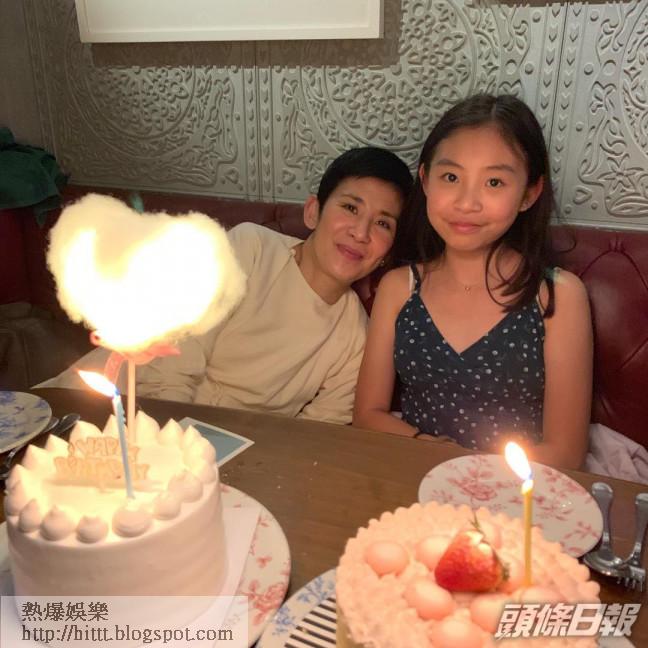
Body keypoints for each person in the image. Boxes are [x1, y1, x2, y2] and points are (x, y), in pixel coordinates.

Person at [43, 147, 412, 425]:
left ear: (388, 252)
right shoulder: (250, 249)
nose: (360, 232)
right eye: (350, 208)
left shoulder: (355, 338)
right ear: (313, 211)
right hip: (104, 406)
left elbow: (316, 433)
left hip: (220, 461)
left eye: (383, 224)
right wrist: (174, 450)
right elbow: (171, 364)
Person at [353, 94, 592, 469]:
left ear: (529, 193)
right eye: (451, 177)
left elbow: (565, 452)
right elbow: (368, 415)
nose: (467, 203)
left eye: (494, 182)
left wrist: (468, 473)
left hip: (514, 490)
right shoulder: (399, 287)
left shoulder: (557, 295)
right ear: (425, 180)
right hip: (413, 476)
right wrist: (432, 451)